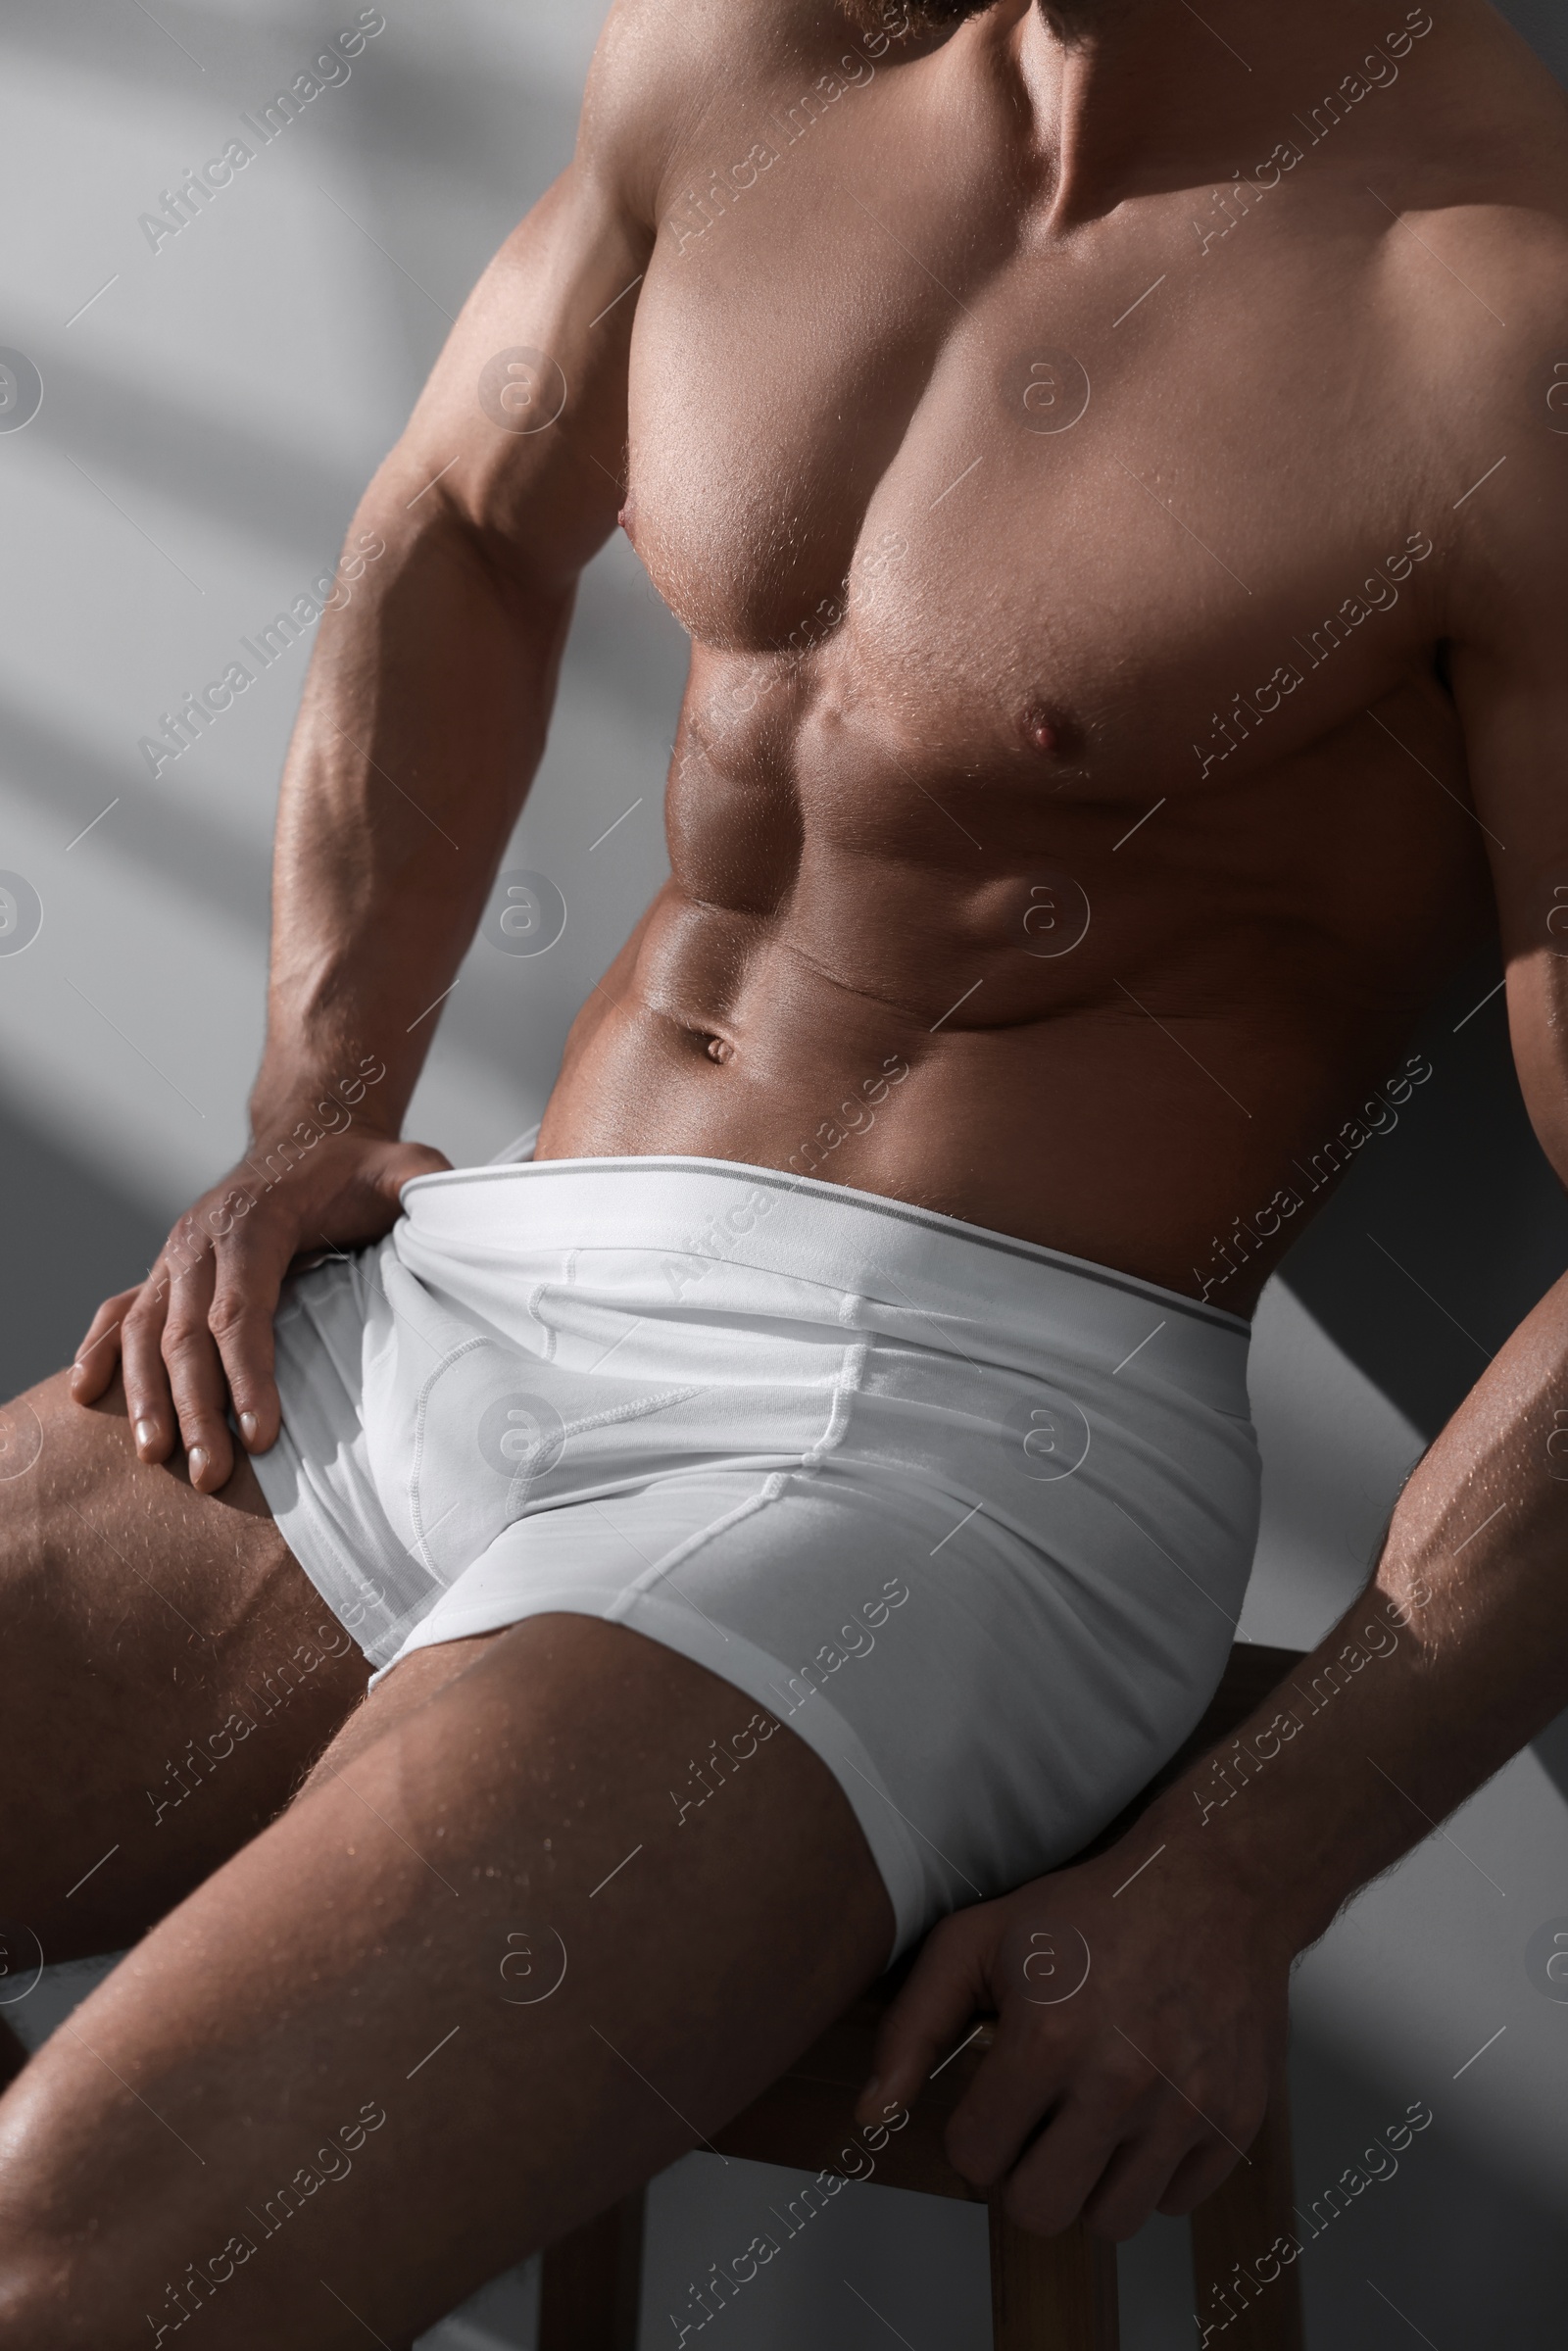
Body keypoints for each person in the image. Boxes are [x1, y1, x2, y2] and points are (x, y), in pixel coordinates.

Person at [3, 0, 1567, 2339]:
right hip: (474, 1283)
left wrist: (1244, 1868)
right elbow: (455, 517)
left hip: (941, 1446)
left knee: (69, 2259)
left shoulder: (1491, 313)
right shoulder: (742, 64)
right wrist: (316, 1104)